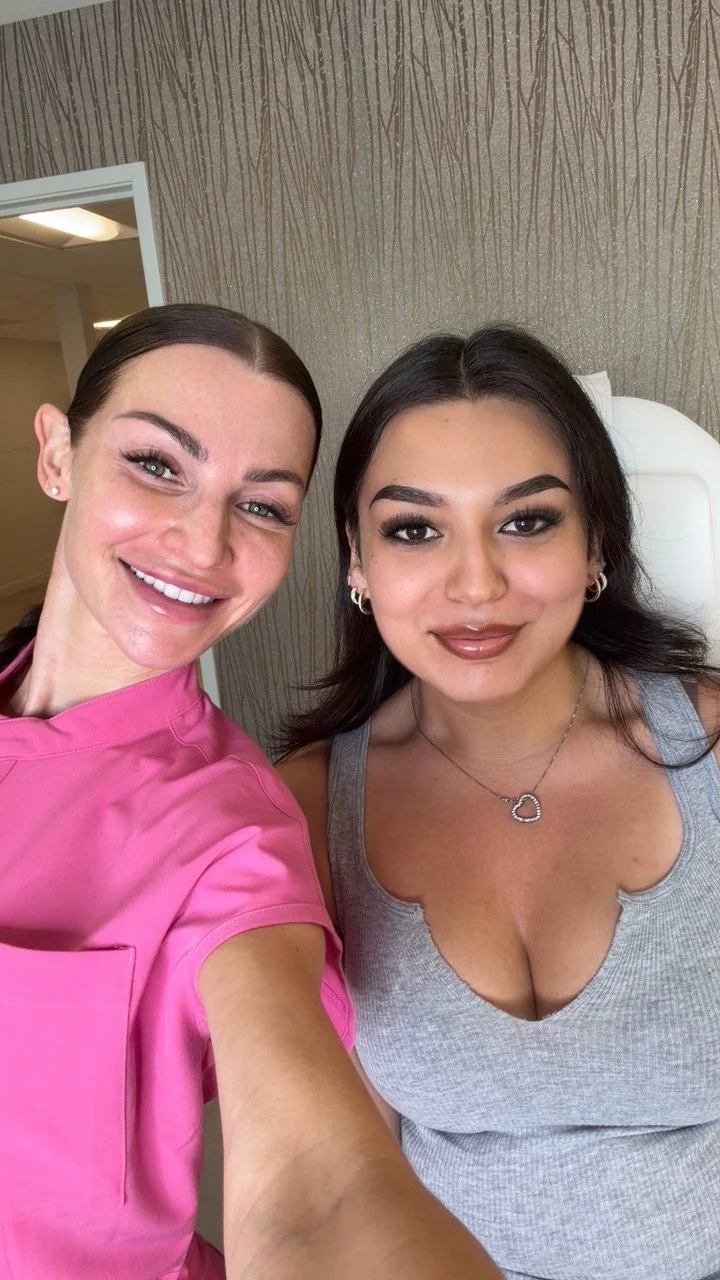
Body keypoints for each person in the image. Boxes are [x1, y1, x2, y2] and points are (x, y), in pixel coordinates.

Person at [0, 304, 504, 1280]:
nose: (203, 542)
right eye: (157, 464)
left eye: (263, 506)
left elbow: (319, 1194)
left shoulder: (235, 831)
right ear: (58, 454)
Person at [279, 325, 720, 1280]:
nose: (475, 584)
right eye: (413, 529)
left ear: (597, 544)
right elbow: (344, 1171)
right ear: (356, 560)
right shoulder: (307, 811)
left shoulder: (712, 749)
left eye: (526, 522)